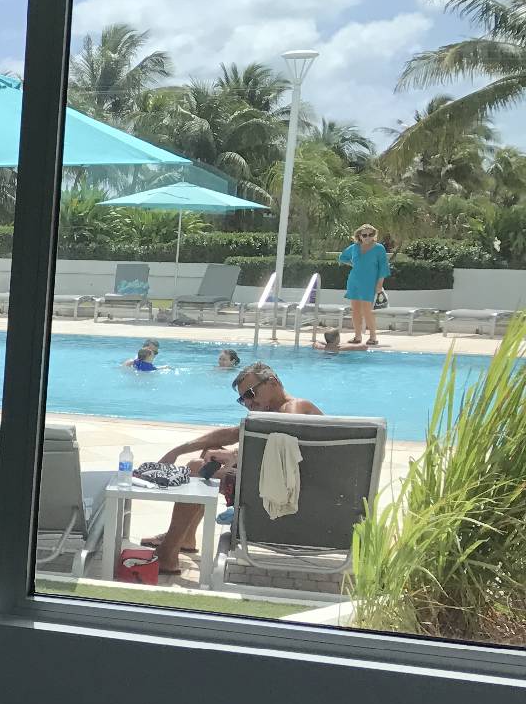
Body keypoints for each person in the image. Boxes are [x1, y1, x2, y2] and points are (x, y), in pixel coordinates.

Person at [143, 360, 321, 575]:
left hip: (286, 498)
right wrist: (178, 450)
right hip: (291, 490)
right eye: (242, 398)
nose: (247, 402)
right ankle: (185, 537)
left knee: (196, 469)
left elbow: (282, 450)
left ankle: (167, 554)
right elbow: (232, 434)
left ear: (273, 382)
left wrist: (234, 455)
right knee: (210, 453)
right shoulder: (273, 412)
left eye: (251, 393)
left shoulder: (294, 408)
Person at [338, 223, 389, 348]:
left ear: (374, 235)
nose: (367, 237)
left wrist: (380, 284)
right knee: (355, 310)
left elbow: (383, 267)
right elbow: (342, 257)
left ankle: (373, 336)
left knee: (367, 310)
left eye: (370, 234)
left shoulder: (379, 248)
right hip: (354, 281)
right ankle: (357, 336)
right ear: (359, 236)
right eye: (364, 235)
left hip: (370, 282)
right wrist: (353, 265)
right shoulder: (354, 247)